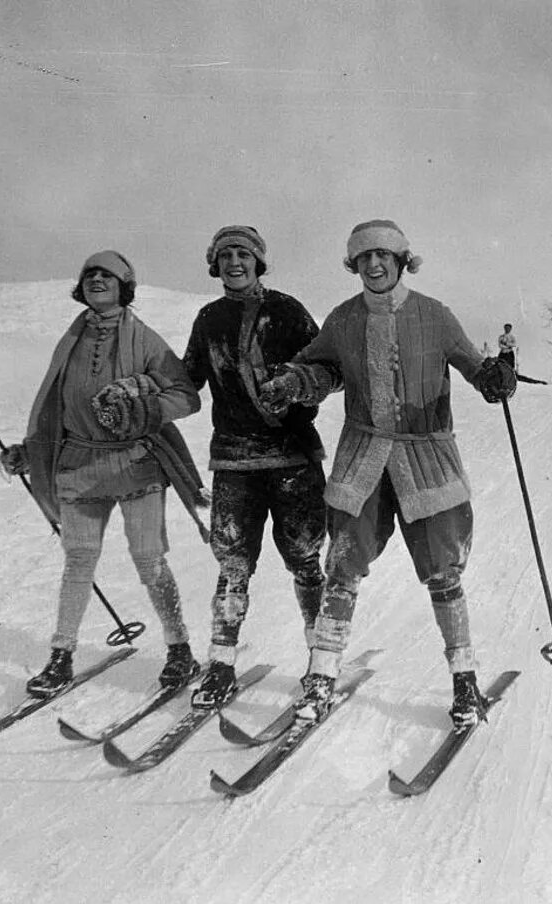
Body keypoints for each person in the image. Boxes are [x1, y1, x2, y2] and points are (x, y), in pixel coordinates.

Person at [257, 219, 517, 729]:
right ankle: (321, 678)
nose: (373, 266)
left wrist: (493, 377)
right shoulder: (344, 319)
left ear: (402, 260)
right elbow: (319, 368)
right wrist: (293, 382)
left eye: (383, 256)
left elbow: (470, 362)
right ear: (353, 265)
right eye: (363, 258)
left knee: (443, 570)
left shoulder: (434, 315)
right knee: (343, 564)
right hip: (364, 458)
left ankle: (464, 680)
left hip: (426, 459)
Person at [0, 251, 204, 698]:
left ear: (125, 285)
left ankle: (179, 649)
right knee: (78, 561)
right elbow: (55, 410)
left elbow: (187, 396)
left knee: (149, 560)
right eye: (89, 274)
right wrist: (28, 454)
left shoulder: (145, 339)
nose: (95, 280)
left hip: (135, 465)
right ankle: (61, 657)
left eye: (106, 275)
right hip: (78, 465)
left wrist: (146, 405)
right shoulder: (70, 341)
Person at [180, 225, 328, 709]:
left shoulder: (288, 311)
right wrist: (144, 398)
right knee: (232, 563)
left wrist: (298, 383)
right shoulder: (208, 319)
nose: (234, 263)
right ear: (214, 264)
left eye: (243, 254)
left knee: (305, 559)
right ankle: (221, 664)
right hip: (234, 461)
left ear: (259, 261)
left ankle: (320, 662)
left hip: (292, 456)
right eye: (225, 256)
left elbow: (330, 370)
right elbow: (187, 382)